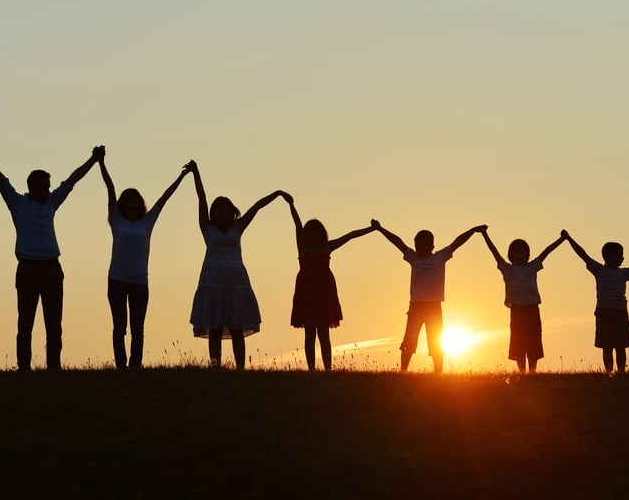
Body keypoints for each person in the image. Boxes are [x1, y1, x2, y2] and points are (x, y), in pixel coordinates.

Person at [0, 133, 103, 371]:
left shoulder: (51, 203)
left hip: (52, 268)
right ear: (32, 186)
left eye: (48, 187)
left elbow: (72, 181)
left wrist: (93, 160)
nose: (47, 190)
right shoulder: (17, 203)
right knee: (26, 322)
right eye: (43, 187)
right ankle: (23, 366)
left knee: (55, 324)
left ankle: (54, 366)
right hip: (28, 269)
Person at [186, 160, 289, 369]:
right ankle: (215, 366)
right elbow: (201, 198)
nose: (222, 214)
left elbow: (256, 207)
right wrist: (196, 173)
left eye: (226, 211)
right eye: (219, 211)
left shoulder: (238, 227)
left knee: (236, 326)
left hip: (236, 282)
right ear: (213, 214)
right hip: (212, 282)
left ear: (232, 213)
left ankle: (240, 367)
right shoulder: (207, 228)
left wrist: (277, 193)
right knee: (214, 327)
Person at [98, 153, 189, 369]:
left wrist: (183, 176)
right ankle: (121, 365)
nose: (131, 204)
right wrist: (101, 163)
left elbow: (164, 198)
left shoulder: (147, 222)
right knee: (119, 327)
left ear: (140, 204)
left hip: (140, 281)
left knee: (138, 327)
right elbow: (110, 189)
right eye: (127, 201)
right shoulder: (116, 220)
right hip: (117, 280)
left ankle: (135, 365)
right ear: (122, 204)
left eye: (135, 201)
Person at [371, 219, 486, 373]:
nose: (419, 248)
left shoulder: (440, 257)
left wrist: (473, 230)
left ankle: (438, 372)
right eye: (417, 245)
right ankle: (403, 371)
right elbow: (397, 242)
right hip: (416, 306)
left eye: (423, 245)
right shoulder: (413, 257)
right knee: (409, 340)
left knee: (436, 341)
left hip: (434, 307)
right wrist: (380, 229)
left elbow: (457, 242)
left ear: (431, 246)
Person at [283, 196, 377, 371]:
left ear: (321, 234)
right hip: (306, 293)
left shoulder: (327, 247)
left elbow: (350, 236)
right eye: (309, 232)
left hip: (323, 293)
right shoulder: (302, 247)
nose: (311, 235)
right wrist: (291, 204)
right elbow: (297, 224)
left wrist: (372, 229)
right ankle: (311, 368)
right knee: (309, 333)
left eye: (315, 232)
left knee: (324, 334)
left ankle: (328, 369)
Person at [562, 230, 629, 374]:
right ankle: (609, 372)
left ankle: (621, 372)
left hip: (620, 313)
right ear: (608, 256)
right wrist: (569, 239)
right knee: (607, 346)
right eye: (619, 254)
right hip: (604, 313)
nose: (622, 257)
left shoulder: (623, 273)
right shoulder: (599, 269)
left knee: (621, 345)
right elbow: (583, 255)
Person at [481, 230, 565, 373]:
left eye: (523, 252)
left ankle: (532, 371)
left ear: (528, 255)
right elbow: (494, 251)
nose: (520, 255)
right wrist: (484, 234)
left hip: (532, 309)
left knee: (533, 341)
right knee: (518, 342)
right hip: (517, 310)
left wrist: (562, 239)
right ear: (510, 255)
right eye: (516, 252)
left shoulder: (532, 267)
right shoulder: (507, 269)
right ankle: (522, 372)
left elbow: (546, 252)